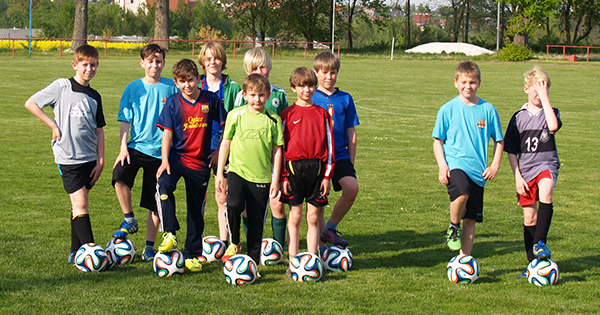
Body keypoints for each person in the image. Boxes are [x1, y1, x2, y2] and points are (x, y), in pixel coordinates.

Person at [24, 45, 105, 264]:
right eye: (85, 65)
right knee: (80, 204)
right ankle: (92, 255)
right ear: (75, 65)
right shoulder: (62, 86)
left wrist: (101, 160)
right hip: (68, 158)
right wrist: (52, 125)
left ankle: (75, 251)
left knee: (79, 204)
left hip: (89, 158)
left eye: (93, 65)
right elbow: (31, 103)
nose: (89, 69)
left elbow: (99, 130)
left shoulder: (94, 96)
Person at [154, 59, 226, 272]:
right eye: (182, 81)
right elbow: (167, 133)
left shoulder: (210, 99)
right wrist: (164, 160)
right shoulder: (173, 102)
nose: (188, 85)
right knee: (163, 184)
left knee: (196, 211)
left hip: (199, 163)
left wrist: (217, 151)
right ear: (176, 83)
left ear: (198, 79)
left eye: (191, 80)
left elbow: (226, 127)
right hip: (176, 159)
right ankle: (169, 232)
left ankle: (192, 254)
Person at [111, 44, 178, 263]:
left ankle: (149, 247)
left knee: (153, 201)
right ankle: (129, 219)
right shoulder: (133, 88)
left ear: (164, 63)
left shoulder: (171, 87)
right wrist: (123, 147)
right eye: (150, 61)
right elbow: (125, 119)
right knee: (119, 176)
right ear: (142, 63)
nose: (154, 65)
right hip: (136, 146)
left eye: (158, 61)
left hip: (161, 153)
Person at [432, 61, 504, 256]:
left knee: (470, 220)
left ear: (479, 83)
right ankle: (453, 226)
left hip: (479, 172)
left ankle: (463, 260)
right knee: (461, 193)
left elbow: (499, 141)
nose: (468, 86)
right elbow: (437, 141)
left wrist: (495, 166)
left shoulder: (488, 110)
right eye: (463, 82)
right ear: (455, 83)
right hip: (456, 164)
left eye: (472, 82)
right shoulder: (447, 109)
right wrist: (442, 166)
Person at [215, 73, 284, 266]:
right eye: (253, 95)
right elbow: (226, 143)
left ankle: (253, 263)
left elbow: (278, 151)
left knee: (256, 223)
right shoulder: (235, 115)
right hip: (237, 171)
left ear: (268, 95)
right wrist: (220, 172)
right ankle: (235, 242)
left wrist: (275, 179)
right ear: (244, 95)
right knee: (234, 205)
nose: (257, 99)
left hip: (261, 176)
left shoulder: (274, 120)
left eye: (261, 95)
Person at [504, 66, 561, 276]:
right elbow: (510, 150)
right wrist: (517, 176)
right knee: (529, 219)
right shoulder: (518, 118)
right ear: (526, 89)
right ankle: (532, 265)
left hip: (546, 165)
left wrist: (545, 98)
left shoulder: (551, 112)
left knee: (547, 189)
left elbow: (553, 127)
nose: (539, 95)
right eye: (535, 90)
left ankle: (540, 243)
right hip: (525, 172)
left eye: (544, 90)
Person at [280, 67, 334, 272]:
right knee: (295, 216)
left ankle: (313, 259)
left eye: (311, 85)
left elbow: (330, 147)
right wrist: (284, 176)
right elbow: (281, 148)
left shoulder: (323, 114)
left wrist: (327, 176)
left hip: (317, 170)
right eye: (302, 86)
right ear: (293, 88)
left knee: (313, 217)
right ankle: (293, 260)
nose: (307, 90)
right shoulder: (287, 114)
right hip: (293, 171)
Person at [234, 48, 289, 250]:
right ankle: (252, 246)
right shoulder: (242, 96)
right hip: (249, 158)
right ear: (247, 71)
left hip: (272, 157)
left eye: (263, 66)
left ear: (269, 67)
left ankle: (278, 248)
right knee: (248, 207)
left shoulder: (278, 94)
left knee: (277, 203)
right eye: (254, 68)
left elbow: (285, 126)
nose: (259, 71)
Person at [312, 52, 359, 253]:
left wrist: (351, 160)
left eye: (333, 73)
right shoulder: (311, 96)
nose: (329, 77)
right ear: (316, 73)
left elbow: (352, 133)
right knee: (319, 203)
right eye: (324, 73)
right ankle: (321, 248)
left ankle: (329, 229)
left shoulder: (345, 98)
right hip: (318, 157)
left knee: (352, 188)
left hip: (339, 155)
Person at [197, 42, 241, 246]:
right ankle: (196, 240)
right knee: (199, 197)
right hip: (198, 150)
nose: (212, 61)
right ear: (202, 61)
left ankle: (226, 240)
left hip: (225, 150)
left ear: (222, 60)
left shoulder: (233, 89)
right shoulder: (196, 86)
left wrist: (219, 151)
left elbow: (235, 122)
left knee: (223, 196)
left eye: (216, 57)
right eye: (208, 58)